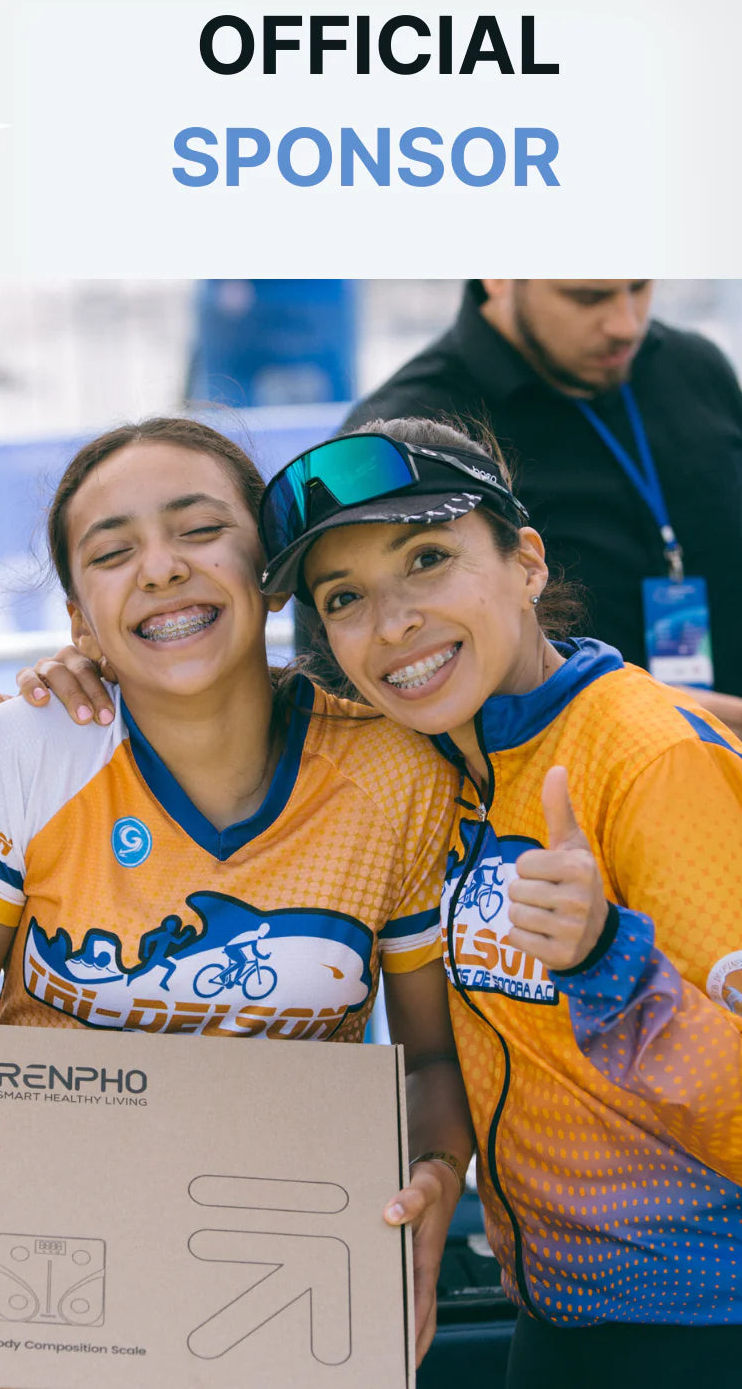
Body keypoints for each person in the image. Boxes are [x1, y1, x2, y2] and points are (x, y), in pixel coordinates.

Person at [0, 417, 475, 1363]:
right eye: (112, 552)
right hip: (59, 1283)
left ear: (272, 571)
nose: (160, 569)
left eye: (199, 531)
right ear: (79, 619)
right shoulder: (29, 748)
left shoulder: (396, 772)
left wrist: (435, 1174)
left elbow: (431, 1065)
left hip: (283, 1275)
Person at [263, 418, 742, 1384]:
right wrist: (92, 688)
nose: (393, 624)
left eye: (428, 559)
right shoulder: (439, 749)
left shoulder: (653, 761)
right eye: (345, 597)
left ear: (526, 560)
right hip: (555, 1314)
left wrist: (613, 962)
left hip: (700, 1324)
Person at [338, 280, 742, 728]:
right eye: (587, 297)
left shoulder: (695, 368)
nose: (626, 325)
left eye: (640, 286)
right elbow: (359, 696)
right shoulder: (406, 439)